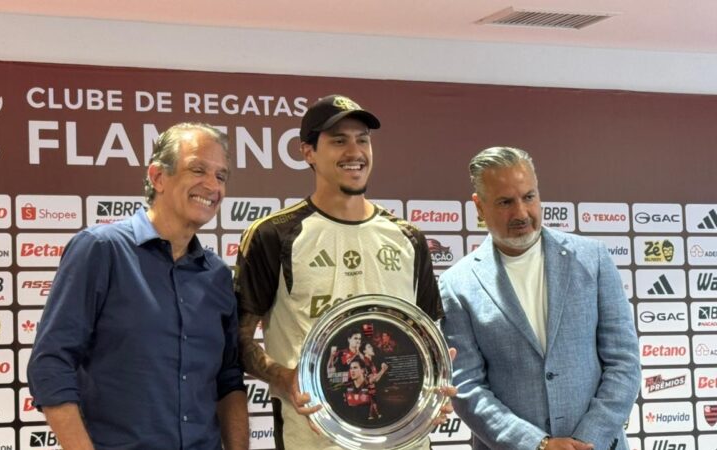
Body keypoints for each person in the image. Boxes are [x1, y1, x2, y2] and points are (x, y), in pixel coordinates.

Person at [233, 94, 453, 449]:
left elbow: (425, 338)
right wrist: (286, 378)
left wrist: (433, 387)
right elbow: (238, 339)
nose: (355, 152)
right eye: (338, 141)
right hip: (311, 440)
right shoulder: (274, 235)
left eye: (362, 140)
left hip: (403, 441)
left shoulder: (408, 238)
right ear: (308, 152)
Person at [27, 123, 249, 450]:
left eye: (221, 176)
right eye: (198, 170)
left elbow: (228, 380)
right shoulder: (100, 250)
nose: (213, 185)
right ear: (158, 177)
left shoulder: (216, 275)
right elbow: (50, 365)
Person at [439, 146, 640, 450]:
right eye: (505, 202)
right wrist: (538, 445)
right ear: (479, 207)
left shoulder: (593, 259)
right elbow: (467, 387)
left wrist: (587, 439)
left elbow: (624, 362)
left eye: (529, 197)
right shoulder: (456, 284)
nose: (521, 213)